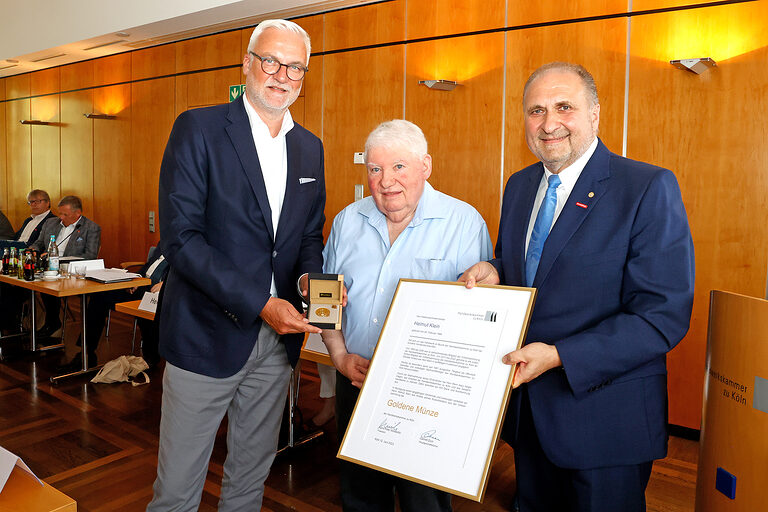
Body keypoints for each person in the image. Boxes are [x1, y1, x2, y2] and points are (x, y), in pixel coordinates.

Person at [460, 62, 695, 512]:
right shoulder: (519, 185)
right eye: (536, 110)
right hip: (528, 414)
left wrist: (561, 355)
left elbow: (661, 315)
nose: (549, 123)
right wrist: (495, 268)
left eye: (564, 107)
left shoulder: (646, 186)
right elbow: (534, 268)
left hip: (605, 420)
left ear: (595, 114)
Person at [147, 19, 325, 511]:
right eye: (271, 61)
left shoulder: (310, 147)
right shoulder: (198, 128)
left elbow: (308, 236)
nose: (282, 75)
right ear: (247, 64)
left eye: (295, 67)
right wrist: (261, 303)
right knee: (178, 491)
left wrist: (309, 275)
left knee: (248, 482)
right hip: (204, 335)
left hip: (276, 345)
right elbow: (181, 239)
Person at [322, 119, 493, 512]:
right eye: (375, 169)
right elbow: (327, 300)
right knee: (361, 495)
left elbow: (479, 317)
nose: (386, 181)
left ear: (425, 166)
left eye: (399, 166)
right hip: (357, 377)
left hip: (426, 394)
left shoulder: (464, 222)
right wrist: (338, 357)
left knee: (425, 501)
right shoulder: (348, 221)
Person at [56, 247, 168, 372]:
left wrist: (166, 283)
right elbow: (147, 267)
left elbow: (184, 274)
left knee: (146, 310)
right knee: (100, 296)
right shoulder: (163, 243)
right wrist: (136, 278)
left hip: (160, 294)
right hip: (141, 286)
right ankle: (87, 352)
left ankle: (151, 356)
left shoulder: (184, 248)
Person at [30, 195, 101, 338]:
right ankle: (45, 323)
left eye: (65, 214)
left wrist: (60, 259)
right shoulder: (51, 223)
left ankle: (52, 323)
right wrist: (32, 249)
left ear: (77, 214)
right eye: (60, 213)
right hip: (46, 267)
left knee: (48, 284)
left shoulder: (91, 228)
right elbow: (38, 243)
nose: (61, 217)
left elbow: (91, 255)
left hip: (70, 270)